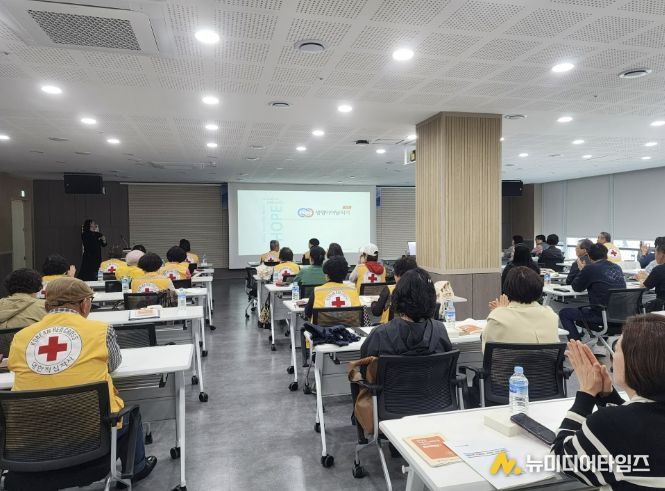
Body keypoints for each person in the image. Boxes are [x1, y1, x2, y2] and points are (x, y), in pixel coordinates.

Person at [8, 277, 157, 483]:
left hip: (30, 442)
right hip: (91, 440)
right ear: (85, 304)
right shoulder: (100, 330)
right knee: (131, 417)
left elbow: (15, 369)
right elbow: (113, 364)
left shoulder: (21, 337)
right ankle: (137, 468)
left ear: (46, 305)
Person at [552, 315, 665, 489]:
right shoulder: (625, 423)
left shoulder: (611, 424)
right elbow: (640, 420)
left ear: (634, 362)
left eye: (617, 348)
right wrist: (607, 396)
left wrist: (586, 394)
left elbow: (563, 460)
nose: (612, 355)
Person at [361, 268, 453, 358]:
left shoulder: (380, 334)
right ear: (432, 298)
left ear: (398, 296)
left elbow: (366, 366)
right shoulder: (440, 331)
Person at [559, 243, 626, 341]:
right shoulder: (617, 267)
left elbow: (576, 287)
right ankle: (597, 342)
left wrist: (582, 270)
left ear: (589, 256)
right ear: (606, 255)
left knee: (564, 313)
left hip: (600, 315)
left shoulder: (590, 268)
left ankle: (577, 345)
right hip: (621, 316)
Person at [485, 267, 559, 352]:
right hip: (546, 361)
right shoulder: (551, 315)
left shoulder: (498, 317)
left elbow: (487, 349)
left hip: (510, 361)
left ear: (507, 288)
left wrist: (499, 311)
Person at [371, 256, 417, 324]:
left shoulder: (389, 289)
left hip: (390, 328)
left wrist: (373, 303)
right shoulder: (421, 290)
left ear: (398, 275)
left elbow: (376, 312)